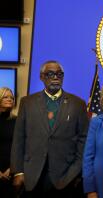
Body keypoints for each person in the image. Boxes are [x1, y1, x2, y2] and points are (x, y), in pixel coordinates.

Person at [11, 60, 89, 198]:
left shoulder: (78, 104)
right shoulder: (27, 103)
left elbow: (84, 140)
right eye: (50, 74)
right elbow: (19, 139)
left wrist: (75, 171)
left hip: (66, 177)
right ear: (42, 77)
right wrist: (18, 172)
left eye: (59, 74)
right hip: (32, 176)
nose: (55, 77)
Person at [0, 87, 16, 197]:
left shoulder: (17, 120)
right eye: (6, 97)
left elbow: (21, 147)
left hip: (11, 171)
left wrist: (12, 168)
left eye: (12, 97)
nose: (10, 99)